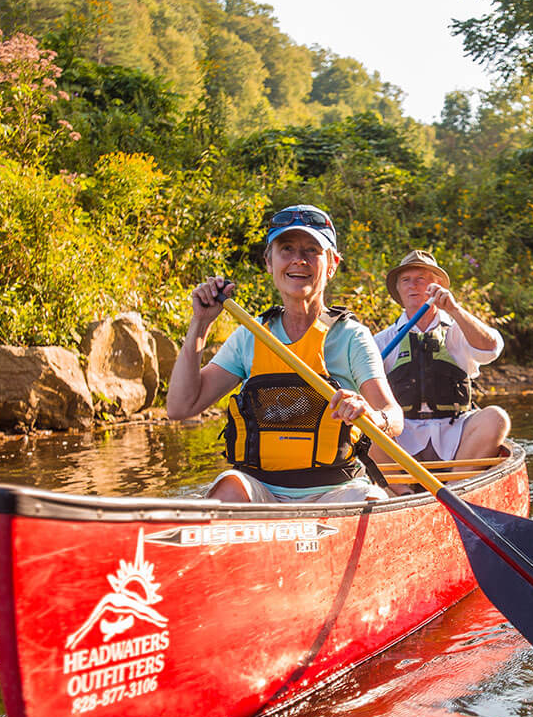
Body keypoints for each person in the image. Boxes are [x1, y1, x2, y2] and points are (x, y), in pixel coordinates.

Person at [166, 204, 402, 503]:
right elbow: (180, 407)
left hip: (336, 492)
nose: (298, 260)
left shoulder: (351, 337)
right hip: (261, 491)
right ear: (269, 261)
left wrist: (370, 414)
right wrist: (200, 324)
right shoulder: (249, 335)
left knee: (370, 500)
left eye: (311, 251)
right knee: (229, 485)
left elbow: (394, 417)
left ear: (332, 263)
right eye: (286, 249)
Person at [372, 249, 510, 467]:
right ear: (398, 290)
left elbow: (491, 349)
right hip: (403, 435)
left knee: (497, 417)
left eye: (420, 279)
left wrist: (454, 310)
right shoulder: (382, 340)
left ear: (436, 288)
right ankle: (402, 493)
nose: (412, 285)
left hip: (455, 433)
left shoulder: (458, 330)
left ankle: (457, 488)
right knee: (363, 426)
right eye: (406, 280)